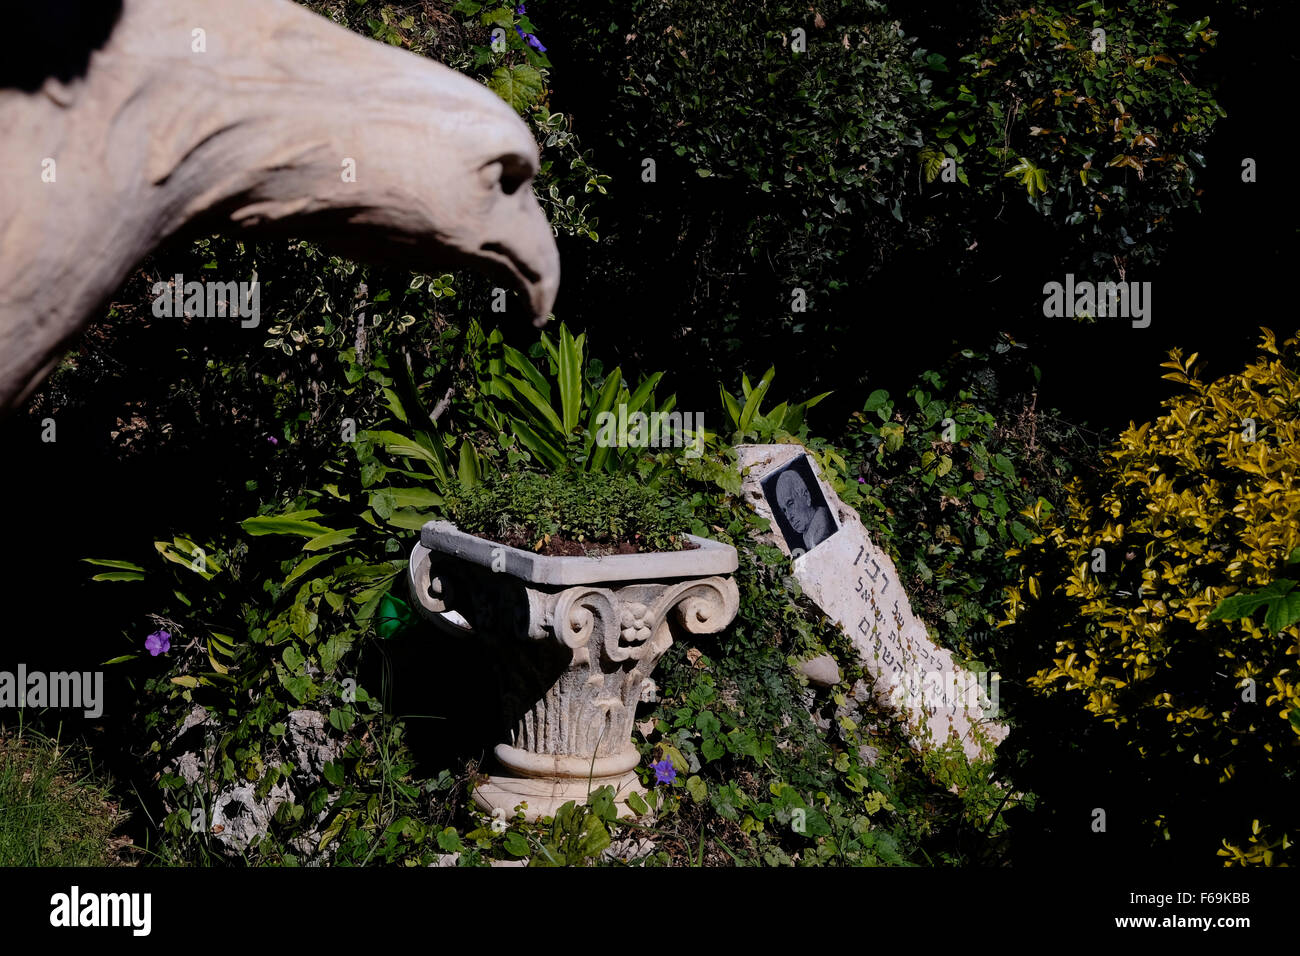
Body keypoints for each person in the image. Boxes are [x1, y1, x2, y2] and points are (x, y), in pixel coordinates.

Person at [775, 468, 835, 552]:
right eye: (784, 510)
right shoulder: (809, 537)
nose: (789, 517)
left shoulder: (821, 532)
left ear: (806, 496)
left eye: (790, 504)